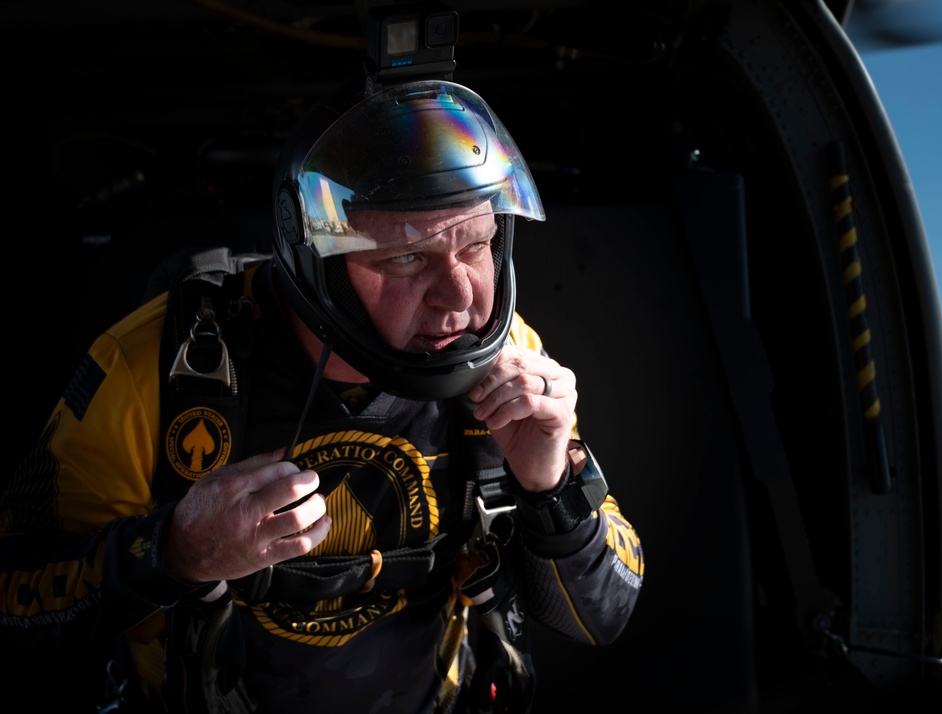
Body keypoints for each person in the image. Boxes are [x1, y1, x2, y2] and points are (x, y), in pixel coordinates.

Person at [0, 78, 643, 713]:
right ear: (317, 264)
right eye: (406, 260)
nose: (463, 300)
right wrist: (173, 551)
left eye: (475, 245)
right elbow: (15, 600)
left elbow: (604, 614)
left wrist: (550, 481)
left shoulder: (507, 362)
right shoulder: (148, 369)